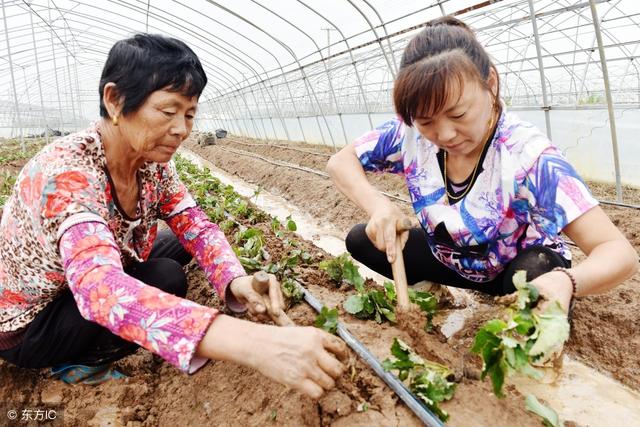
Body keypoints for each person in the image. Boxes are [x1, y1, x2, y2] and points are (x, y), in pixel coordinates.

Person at [0, 34, 346, 398]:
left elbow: (195, 226)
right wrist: (256, 343)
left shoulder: (151, 163)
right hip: (30, 323)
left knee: (174, 246)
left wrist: (235, 281)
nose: (182, 129)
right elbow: (98, 288)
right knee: (165, 277)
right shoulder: (66, 173)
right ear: (115, 101)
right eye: (168, 112)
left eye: (190, 114)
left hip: (78, 278)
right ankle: (78, 361)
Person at [327, 17, 638, 312]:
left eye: (459, 114)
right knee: (362, 239)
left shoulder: (528, 155)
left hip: (517, 271)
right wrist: (378, 205)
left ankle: (539, 308)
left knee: (536, 273)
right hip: (451, 261)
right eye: (426, 121)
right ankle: (431, 290)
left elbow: (618, 251)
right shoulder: (409, 135)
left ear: (490, 83)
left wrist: (568, 281)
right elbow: (341, 162)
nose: (444, 134)